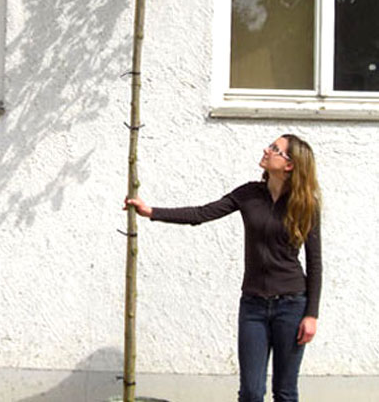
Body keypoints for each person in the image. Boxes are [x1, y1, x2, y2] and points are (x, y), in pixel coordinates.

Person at [125, 134, 322, 402]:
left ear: (289, 165)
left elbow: (315, 263)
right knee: (251, 392)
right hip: (253, 305)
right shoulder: (249, 194)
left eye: (275, 149)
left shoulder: (305, 204)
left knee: (285, 392)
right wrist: (153, 212)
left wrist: (311, 315)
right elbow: (201, 214)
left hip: (292, 304)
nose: (267, 149)